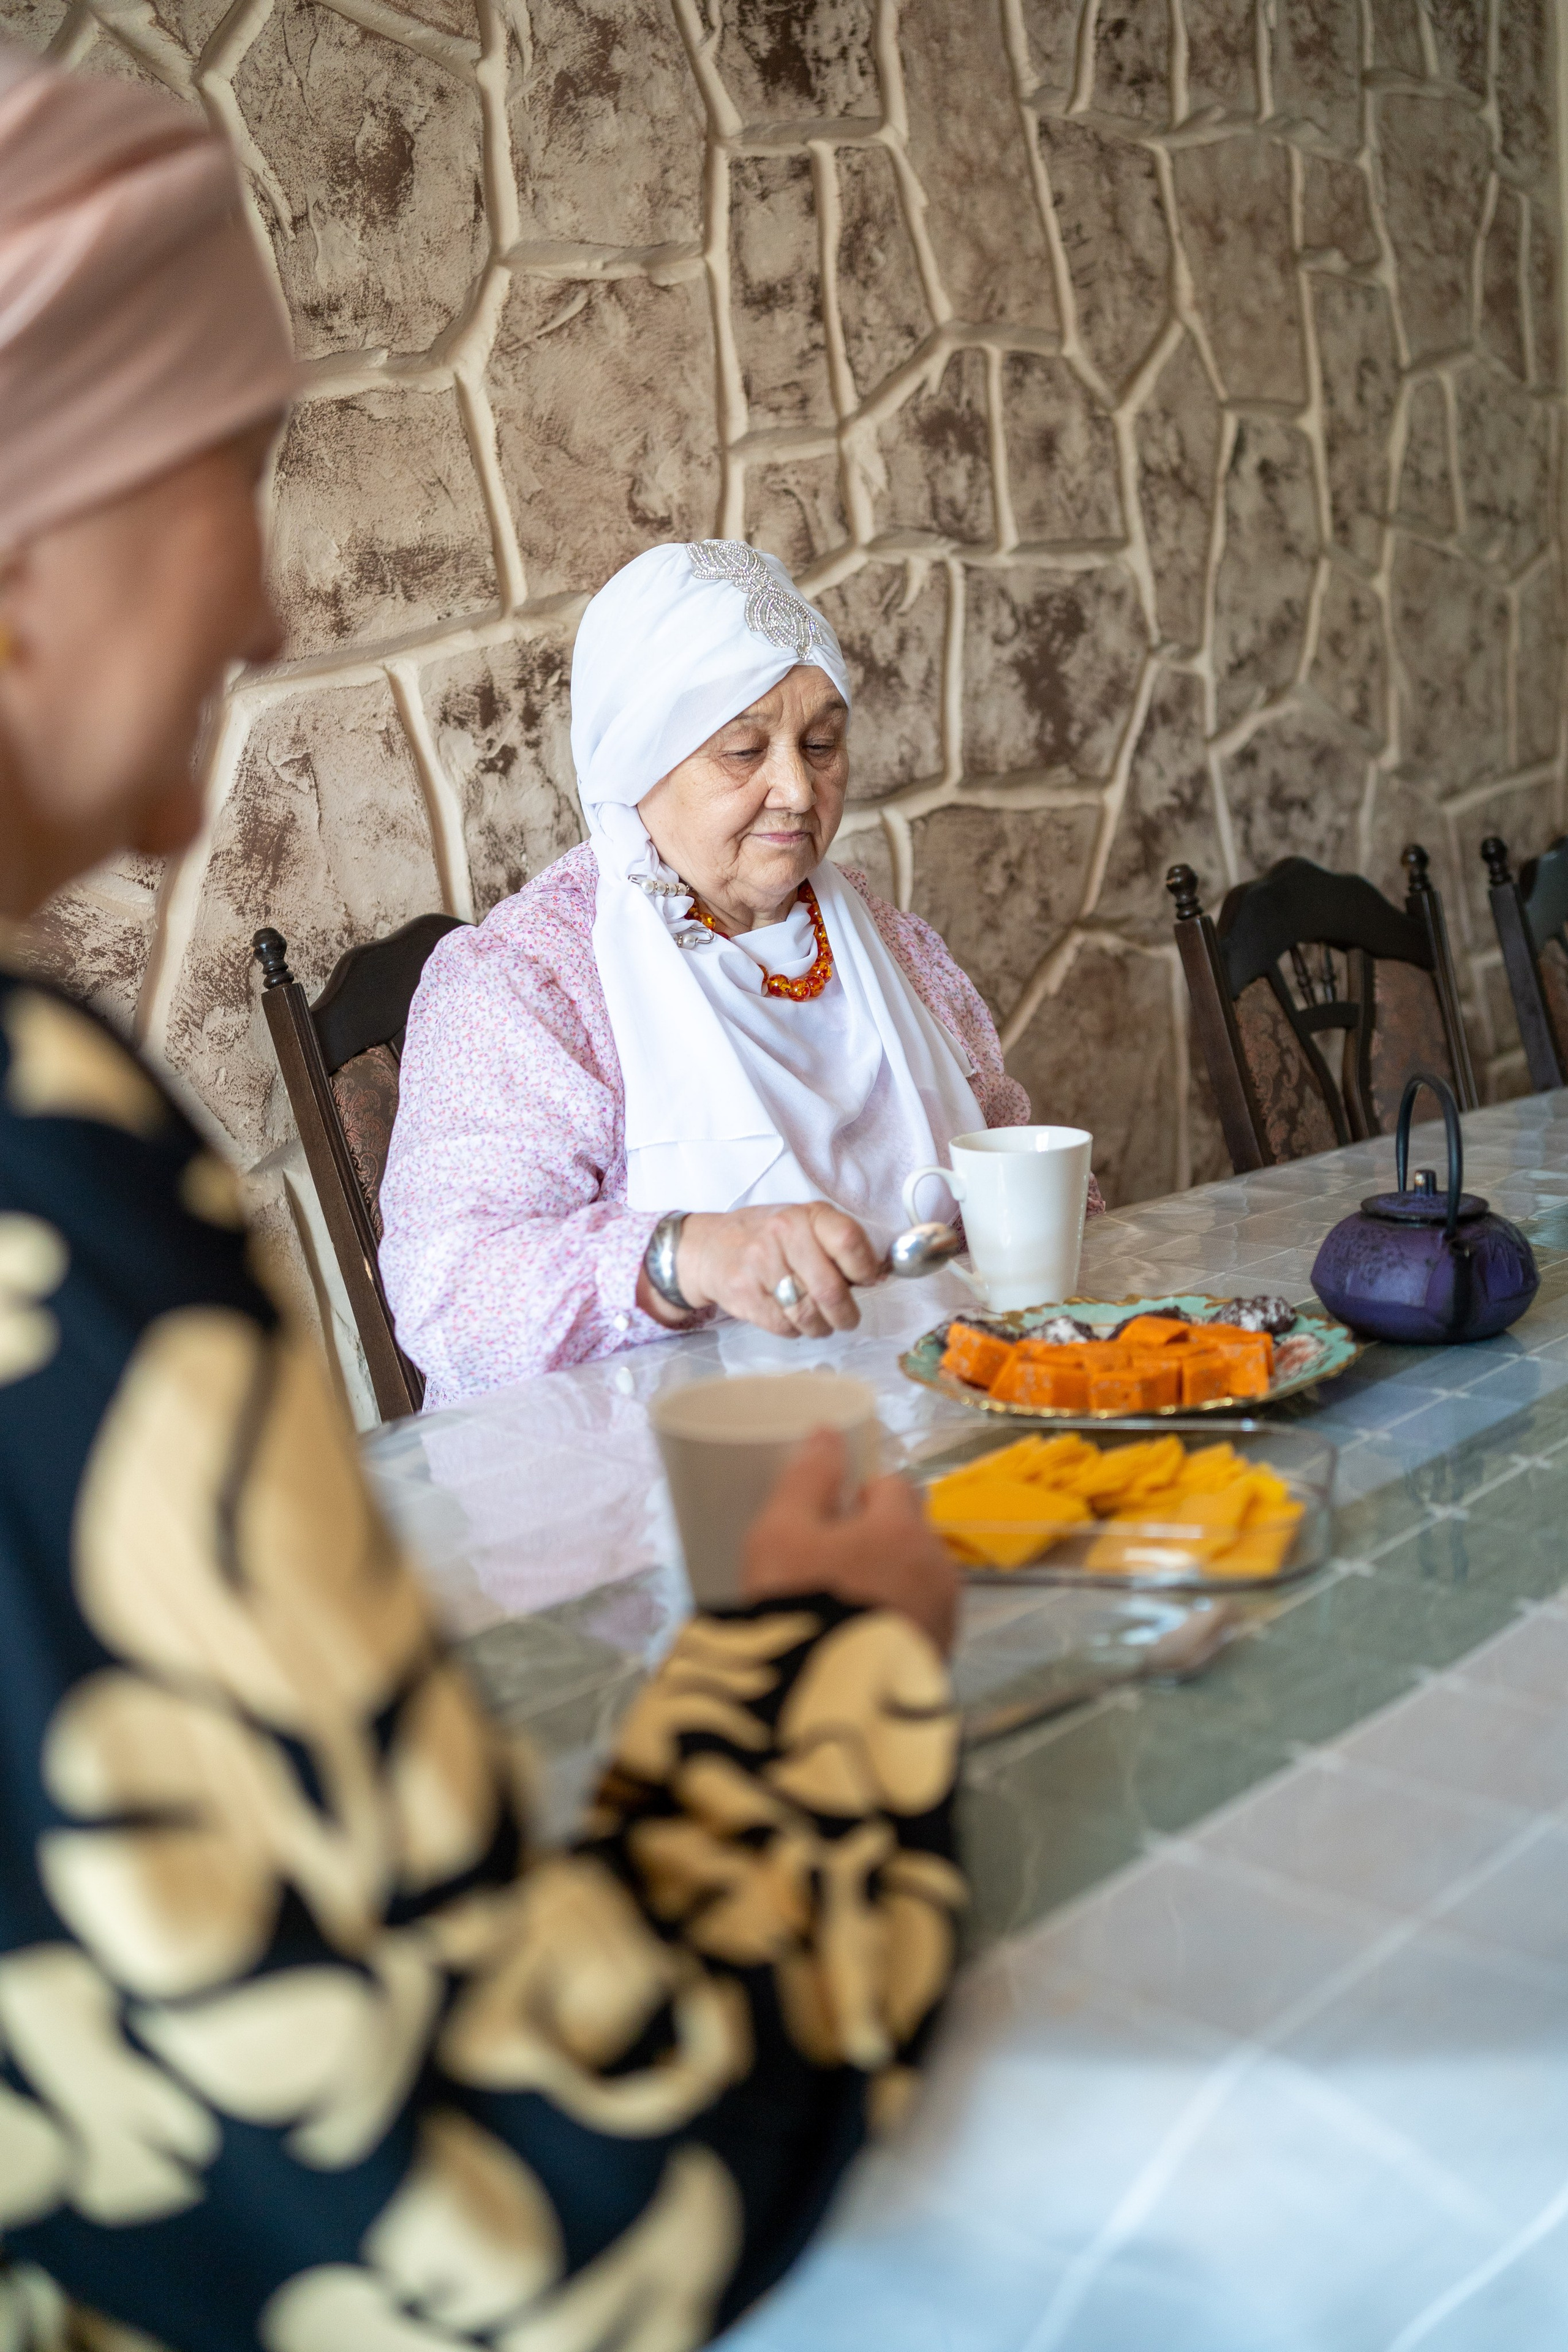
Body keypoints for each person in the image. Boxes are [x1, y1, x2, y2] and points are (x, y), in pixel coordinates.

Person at [0, 48, 963, 2351]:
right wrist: (827, 1671)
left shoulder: (897, 945)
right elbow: (503, 2205)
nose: (251, 599)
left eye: (815, 739)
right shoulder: (52, 1175)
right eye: (215, 482)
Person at [379, 545, 1102, 1407]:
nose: (798, 789)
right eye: (743, 750)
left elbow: (1005, 1146)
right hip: (656, 1484)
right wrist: (688, 1258)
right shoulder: (529, 981)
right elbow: (451, 1293)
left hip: (935, 1416)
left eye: (822, 743)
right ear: (638, 760)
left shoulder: (882, 936)